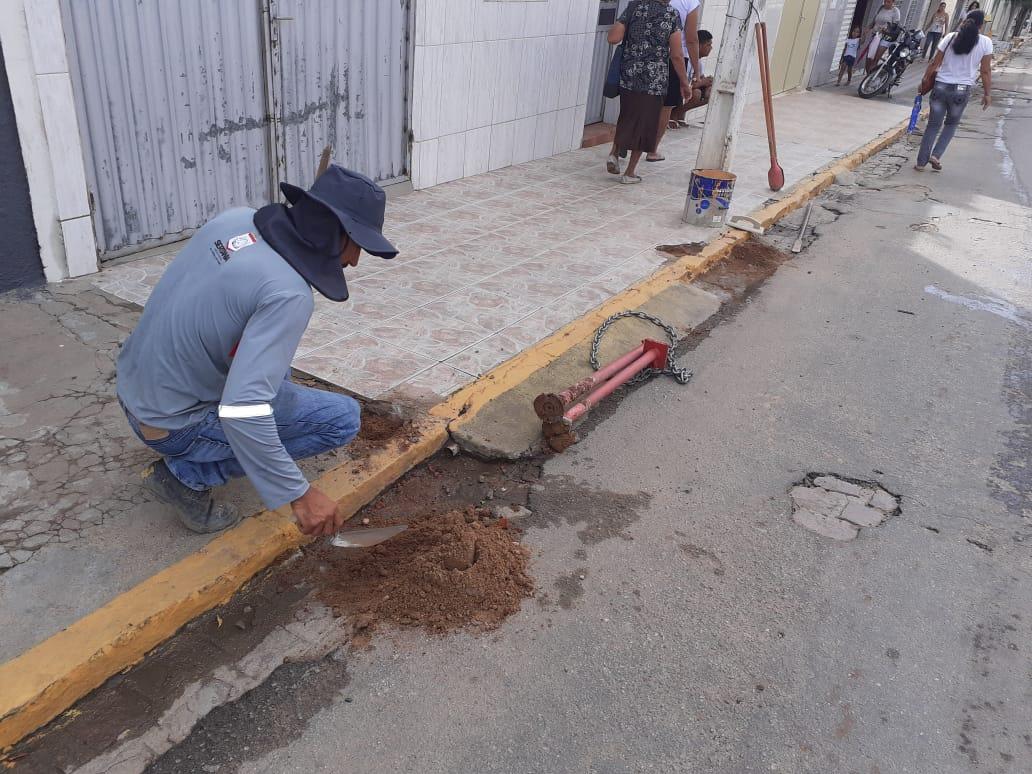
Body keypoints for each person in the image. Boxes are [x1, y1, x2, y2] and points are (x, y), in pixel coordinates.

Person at [117, 165, 399, 535]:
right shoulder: (288, 293)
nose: (355, 261)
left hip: (132, 388)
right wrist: (298, 493)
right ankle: (186, 477)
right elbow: (242, 411)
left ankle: (199, 452)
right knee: (342, 418)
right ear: (335, 234)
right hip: (172, 424)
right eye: (357, 244)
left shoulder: (235, 220)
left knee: (273, 366)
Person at [606, 0, 691, 184]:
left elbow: (613, 38)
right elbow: (676, 55)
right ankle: (629, 173)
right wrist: (685, 83)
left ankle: (614, 153)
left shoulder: (634, 6)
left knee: (627, 115)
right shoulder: (671, 14)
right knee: (646, 123)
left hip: (629, 73)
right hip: (654, 79)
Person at [916, 10, 992, 171]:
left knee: (932, 126)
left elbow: (934, 63)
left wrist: (924, 80)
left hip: (941, 86)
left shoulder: (950, 37)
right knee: (951, 125)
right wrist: (987, 94)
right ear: (981, 24)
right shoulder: (986, 42)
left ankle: (920, 163)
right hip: (961, 90)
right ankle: (936, 155)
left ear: (966, 20)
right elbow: (985, 71)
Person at [647, 0, 701, 162]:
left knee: (641, 101)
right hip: (675, 59)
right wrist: (696, 70)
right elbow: (691, 39)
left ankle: (620, 146)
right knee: (666, 106)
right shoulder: (690, 3)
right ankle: (652, 150)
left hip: (648, 55)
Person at [668, 29, 713, 128]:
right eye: (708, 45)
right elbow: (683, 82)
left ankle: (679, 114)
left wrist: (708, 83)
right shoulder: (686, 59)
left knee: (710, 92)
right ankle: (673, 114)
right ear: (699, 45)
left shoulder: (699, 63)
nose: (711, 48)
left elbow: (698, 80)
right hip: (676, 89)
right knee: (696, 94)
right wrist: (701, 83)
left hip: (684, 90)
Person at [866, 0, 902, 72]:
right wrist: (868, 28)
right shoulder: (881, 8)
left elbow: (895, 25)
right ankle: (869, 76)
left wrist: (887, 29)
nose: (886, 3)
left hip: (886, 37)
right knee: (869, 58)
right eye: (885, 1)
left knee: (876, 58)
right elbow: (874, 20)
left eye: (888, 2)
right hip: (876, 35)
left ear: (893, 2)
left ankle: (869, 80)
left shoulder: (895, 11)